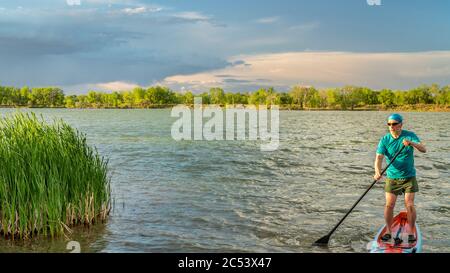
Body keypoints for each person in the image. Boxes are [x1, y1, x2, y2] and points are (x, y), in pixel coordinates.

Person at [373, 113, 426, 243]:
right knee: (389, 205)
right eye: (389, 124)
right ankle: (389, 232)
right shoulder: (385, 140)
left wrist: (411, 143)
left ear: (401, 124)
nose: (391, 126)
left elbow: (423, 149)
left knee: (409, 204)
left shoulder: (409, 135)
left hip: (409, 177)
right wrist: (377, 171)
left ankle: (411, 231)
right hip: (392, 177)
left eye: (394, 124)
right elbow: (379, 158)